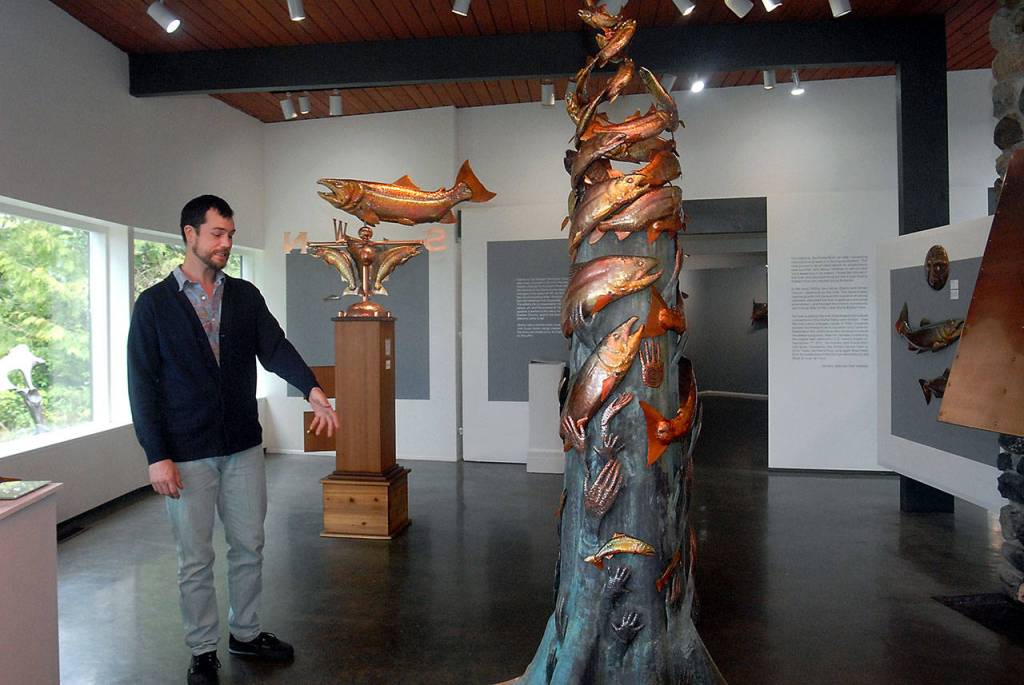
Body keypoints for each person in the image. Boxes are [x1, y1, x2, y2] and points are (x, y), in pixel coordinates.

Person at [128, 195, 338, 685]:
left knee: (249, 545)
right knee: (195, 558)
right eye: (217, 234)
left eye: (230, 234)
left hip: (243, 446)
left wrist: (312, 389)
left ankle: (245, 632)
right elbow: (142, 382)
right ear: (189, 234)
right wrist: (156, 455)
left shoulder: (244, 296)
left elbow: (275, 347)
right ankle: (202, 651)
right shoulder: (154, 306)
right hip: (186, 452)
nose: (226, 242)